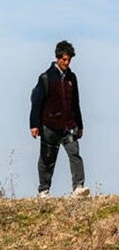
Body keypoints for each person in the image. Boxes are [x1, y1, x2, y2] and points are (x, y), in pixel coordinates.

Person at [30, 40, 89, 198]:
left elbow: (75, 102)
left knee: (74, 154)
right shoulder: (46, 78)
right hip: (49, 125)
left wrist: (80, 125)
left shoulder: (72, 78)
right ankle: (43, 190)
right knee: (47, 159)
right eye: (64, 59)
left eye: (69, 59)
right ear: (57, 58)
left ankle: (78, 187)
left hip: (68, 125)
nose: (66, 62)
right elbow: (36, 101)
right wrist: (34, 124)